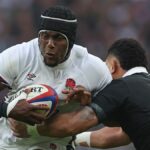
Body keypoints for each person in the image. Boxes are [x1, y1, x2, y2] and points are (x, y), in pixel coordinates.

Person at [0, 5, 112, 150]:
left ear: (71, 42)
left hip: (58, 145)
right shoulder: (19, 56)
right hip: (10, 145)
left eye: (58, 38)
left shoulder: (93, 68)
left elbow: (116, 116)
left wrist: (91, 104)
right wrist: (7, 109)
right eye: (45, 36)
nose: (50, 44)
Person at [34, 38, 150, 150]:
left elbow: (73, 124)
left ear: (112, 66)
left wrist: (30, 129)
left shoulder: (122, 86)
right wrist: (73, 139)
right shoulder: (142, 89)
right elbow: (119, 135)